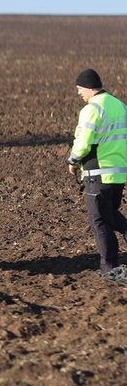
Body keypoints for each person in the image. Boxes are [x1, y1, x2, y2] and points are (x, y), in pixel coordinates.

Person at [67, 68, 127, 274]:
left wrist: (73, 160)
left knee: (99, 220)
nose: (78, 93)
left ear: (88, 87)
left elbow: (83, 142)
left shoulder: (92, 109)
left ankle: (109, 267)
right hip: (119, 174)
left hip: (98, 173)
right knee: (109, 215)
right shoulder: (120, 106)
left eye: (79, 89)